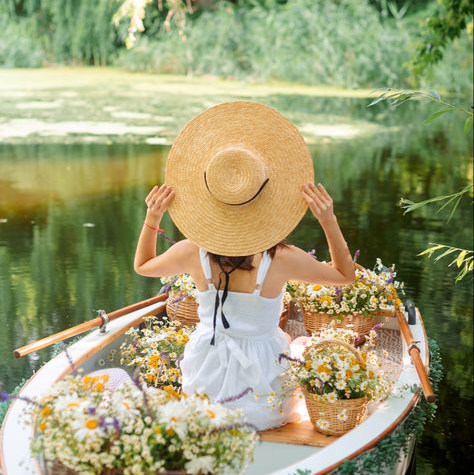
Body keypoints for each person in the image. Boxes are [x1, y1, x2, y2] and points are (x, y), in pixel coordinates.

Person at [133, 101, 356, 431]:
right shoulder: (280, 259)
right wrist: (328, 220)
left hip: (206, 379)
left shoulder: (192, 252)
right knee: (298, 347)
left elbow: (143, 265)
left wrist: (153, 216)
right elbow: (345, 276)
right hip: (261, 387)